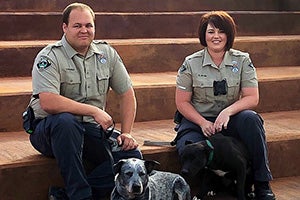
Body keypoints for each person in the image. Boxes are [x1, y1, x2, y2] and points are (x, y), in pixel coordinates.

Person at [25, 3, 142, 200]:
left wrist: (127, 132)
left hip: (88, 130)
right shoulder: (49, 56)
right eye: (77, 25)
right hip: (49, 131)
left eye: (88, 25)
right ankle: (81, 196)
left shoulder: (107, 54)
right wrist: (93, 111)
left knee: (132, 157)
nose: (84, 30)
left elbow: (127, 93)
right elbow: (48, 102)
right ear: (64, 27)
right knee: (66, 122)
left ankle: (65, 195)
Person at [173, 11, 275, 200]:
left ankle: (262, 184)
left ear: (229, 35)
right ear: (204, 35)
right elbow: (182, 102)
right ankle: (203, 189)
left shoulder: (242, 60)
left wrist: (228, 112)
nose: (216, 36)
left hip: (230, 119)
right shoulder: (191, 63)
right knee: (188, 148)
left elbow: (252, 97)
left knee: (252, 120)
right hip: (198, 119)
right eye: (211, 32)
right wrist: (203, 123)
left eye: (221, 32)